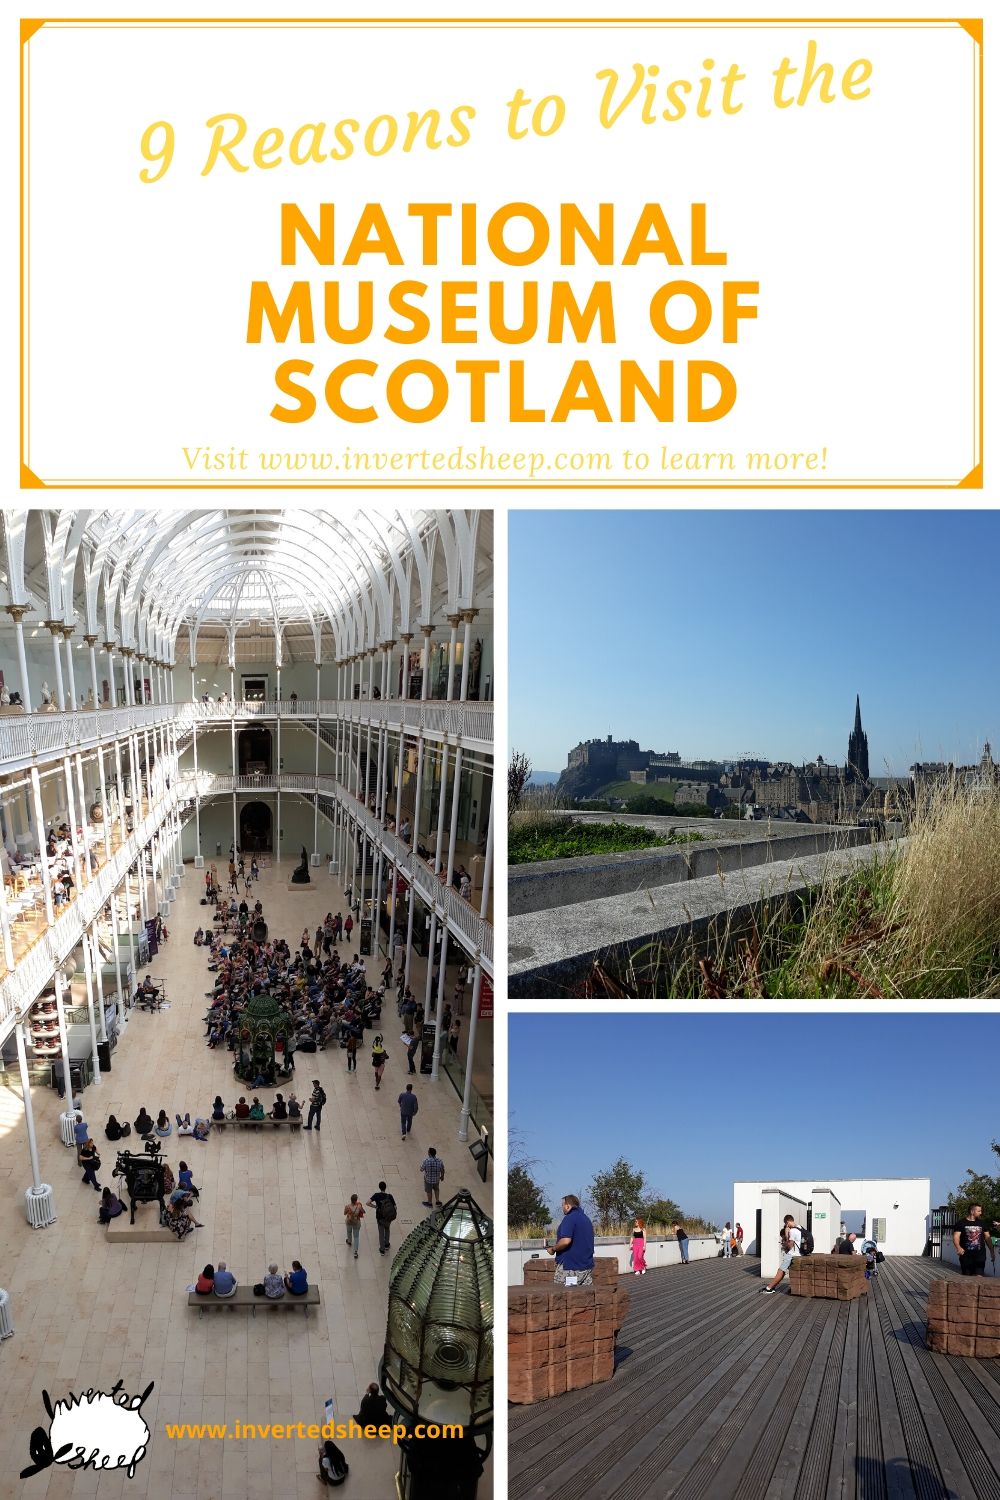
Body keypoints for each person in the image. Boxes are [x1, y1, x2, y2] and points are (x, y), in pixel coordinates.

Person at [546, 1195, 595, 1286]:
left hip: (570, 1267)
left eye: (562, 1205)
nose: (562, 1207)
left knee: (561, 1296)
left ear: (567, 1206)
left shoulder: (569, 1218)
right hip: (586, 1266)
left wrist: (553, 1249)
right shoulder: (586, 1219)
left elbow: (565, 1241)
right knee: (585, 1297)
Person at [762, 1214, 802, 1293]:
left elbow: (790, 1246)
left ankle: (769, 1288)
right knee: (784, 1271)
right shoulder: (800, 1227)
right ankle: (773, 1286)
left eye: (785, 1223)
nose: (785, 1225)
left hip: (793, 1254)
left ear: (787, 1222)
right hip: (799, 1253)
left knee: (781, 1270)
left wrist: (786, 1236)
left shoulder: (793, 1231)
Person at [953, 1204, 995, 1276]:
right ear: (972, 1211)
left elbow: (988, 1238)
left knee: (979, 1277)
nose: (981, 1213)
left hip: (980, 1256)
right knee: (967, 1278)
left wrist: (992, 1251)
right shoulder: (961, 1223)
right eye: (979, 1211)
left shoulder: (982, 1223)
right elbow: (956, 1237)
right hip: (966, 1256)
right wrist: (958, 1247)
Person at [367, 1181, 397, 1255]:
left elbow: (367, 1203)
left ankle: (382, 1250)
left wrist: (375, 1207)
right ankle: (387, 1244)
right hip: (388, 1217)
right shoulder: (390, 1196)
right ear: (385, 1187)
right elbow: (395, 1207)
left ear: (379, 1187)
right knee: (387, 1229)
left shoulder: (376, 1195)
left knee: (381, 1232)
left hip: (380, 1217)